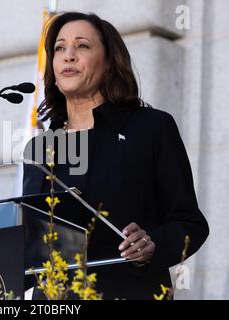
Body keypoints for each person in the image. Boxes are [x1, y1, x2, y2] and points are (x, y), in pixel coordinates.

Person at [22, 12, 209, 300]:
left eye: (82, 45)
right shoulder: (40, 148)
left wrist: (152, 245)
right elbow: (31, 243)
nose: (68, 56)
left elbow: (190, 224)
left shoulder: (151, 128)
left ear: (109, 62)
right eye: (59, 48)